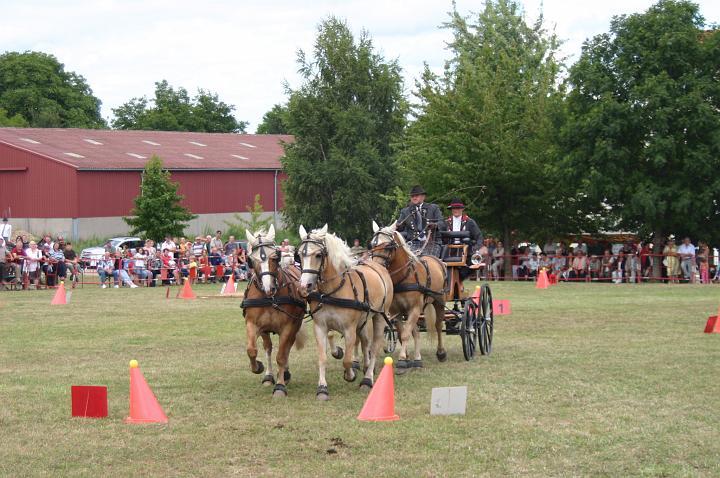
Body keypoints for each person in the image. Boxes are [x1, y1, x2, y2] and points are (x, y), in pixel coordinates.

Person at [396, 185, 446, 256]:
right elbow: (400, 227)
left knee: (426, 260)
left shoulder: (433, 208)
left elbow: (442, 223)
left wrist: (435, 225)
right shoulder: (406, 211)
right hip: (413, 243)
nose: (414, 198)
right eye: (412, 196)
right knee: (408, 260)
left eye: (416, 195)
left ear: (423, 197)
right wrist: (397, 226)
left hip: (432, 243)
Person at [443, 197, 482, 280]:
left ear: (462, 209)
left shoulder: (470, 222)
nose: (456, 210)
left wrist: (475, 249)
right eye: (454, 208)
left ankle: (458, 282)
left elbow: (479, 237)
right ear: (451, 209)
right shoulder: (445, 223)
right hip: (449, 252)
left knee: (466, 269)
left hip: (466, 252)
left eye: (458, 208)